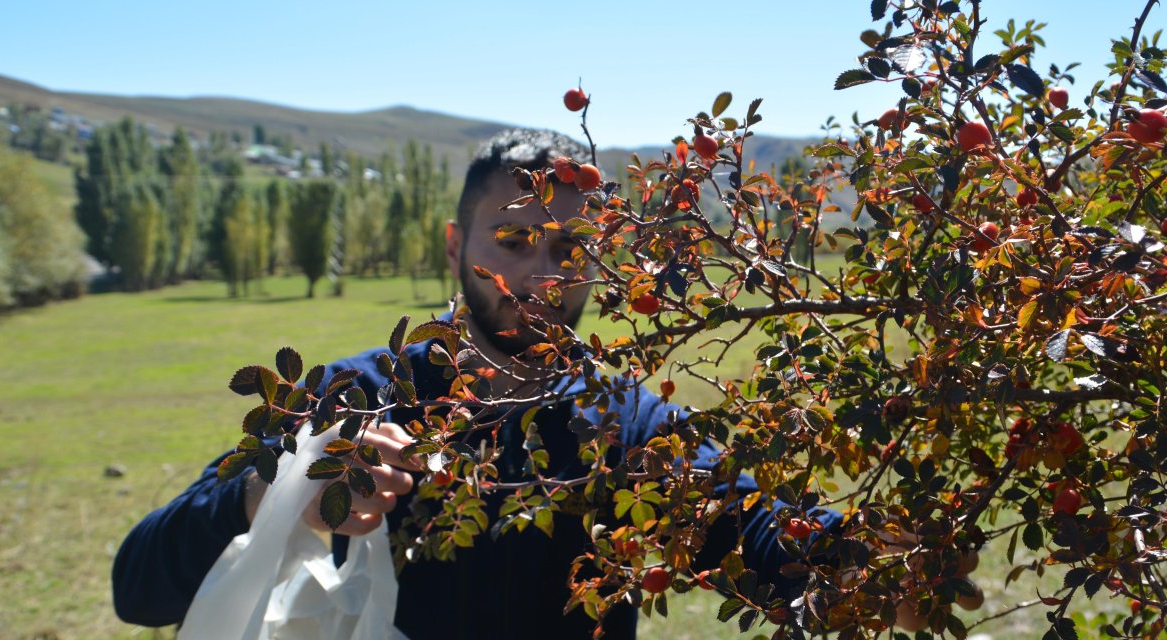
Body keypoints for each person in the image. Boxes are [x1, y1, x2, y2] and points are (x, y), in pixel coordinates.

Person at [111, 128, 949, 638]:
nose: (543, 275)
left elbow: (749, 525)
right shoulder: (348, 403)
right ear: (453, 244)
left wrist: (856, 564)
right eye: (513, 240)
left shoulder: (627, 426)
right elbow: (139, 583)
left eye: (569, 249)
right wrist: (283, 487)